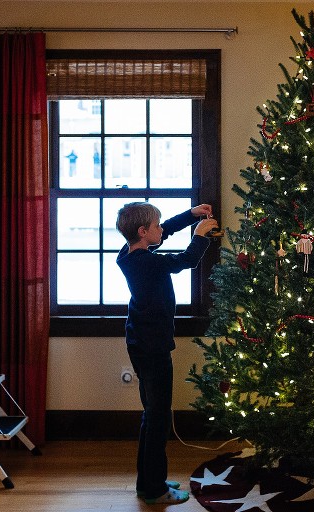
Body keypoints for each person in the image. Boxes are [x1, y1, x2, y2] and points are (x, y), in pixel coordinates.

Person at [116, 202, 218, 505]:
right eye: (157, 225)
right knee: (158, 418)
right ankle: (155, 490)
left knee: (151, 415)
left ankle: (147, 481)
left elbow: (166, 232)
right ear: (143, 232)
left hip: (140, 343)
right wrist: (200, 234)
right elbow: (187, 260)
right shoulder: (148, 263)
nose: (163, 229)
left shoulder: (130, 254)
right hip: (153, 347)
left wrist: (190, 215)